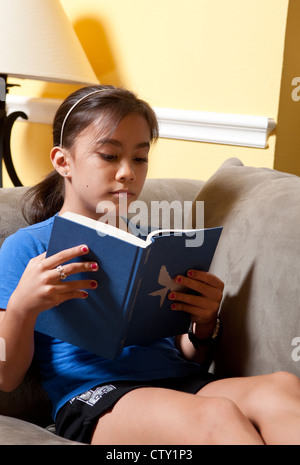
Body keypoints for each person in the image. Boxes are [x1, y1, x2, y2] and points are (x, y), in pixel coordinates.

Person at [0, 85, 299, 445]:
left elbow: (188, 354)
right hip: (99, 397)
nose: (127, 172)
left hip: (180, 382)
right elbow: (6, 377)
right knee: (217, 415)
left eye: (140, 159)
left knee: (281, 387)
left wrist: (203, 325)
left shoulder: (156, 242)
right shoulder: (29, 247)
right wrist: (21, 307)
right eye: (109, 156)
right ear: (63, 161)